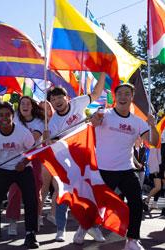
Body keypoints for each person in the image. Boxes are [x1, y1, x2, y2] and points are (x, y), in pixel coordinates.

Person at [90, 83, 159, 250]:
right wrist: (95, 118)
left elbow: (154, 142)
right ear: (115, 97)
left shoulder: (138, 122)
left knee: (136, 203)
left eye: (127, 94)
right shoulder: (104, 114)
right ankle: (84, 228)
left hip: (126, 170)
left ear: (131, 97)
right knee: (96, 205)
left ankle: (132, 240)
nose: (123, 97)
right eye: (120, 93)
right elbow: (93, 123)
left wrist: (152, 125)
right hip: (103, 169)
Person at [46, 72, 106, 243]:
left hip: (87, 155)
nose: (57, 101)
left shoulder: (78, 102)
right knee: (63, 193)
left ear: (66, 97)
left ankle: (91, 227)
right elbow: (53, 144)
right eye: (53, 99)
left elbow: (95, 93)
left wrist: (102, 74)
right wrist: (48, 138)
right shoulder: (52, 123)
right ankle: (60, 229)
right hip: (67, 161)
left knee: (91, 193)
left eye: (59, 97)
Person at [0, 102, 39, 249]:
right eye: (1, 115)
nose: (4, 118)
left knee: (31, 201)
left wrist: (24, 163)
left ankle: (30, 234)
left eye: (8, 115)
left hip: (22, 170)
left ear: (13, 116)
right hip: (3, 169)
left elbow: (34, 149)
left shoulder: (23, 132)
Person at [6, 96, 45, 236]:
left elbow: (30, 140)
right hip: (16, 158)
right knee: (14, 190)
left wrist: (16, 136)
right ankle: (12, 222)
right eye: (22, 103)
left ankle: (35, 219)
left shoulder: (40, 122)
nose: (25, 106)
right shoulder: (15, 117)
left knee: (35, 190)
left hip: (34, 158)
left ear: (32, 107)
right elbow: (0, 104)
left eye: (28, 103)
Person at [142, 147, 162, 211]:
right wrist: (155, 169)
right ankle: (147, 200)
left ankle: (153, 203)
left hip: (161, 168)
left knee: (159, 187)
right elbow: (151, 159)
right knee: (158, 187)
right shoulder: (156, 144)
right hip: (156, 169)